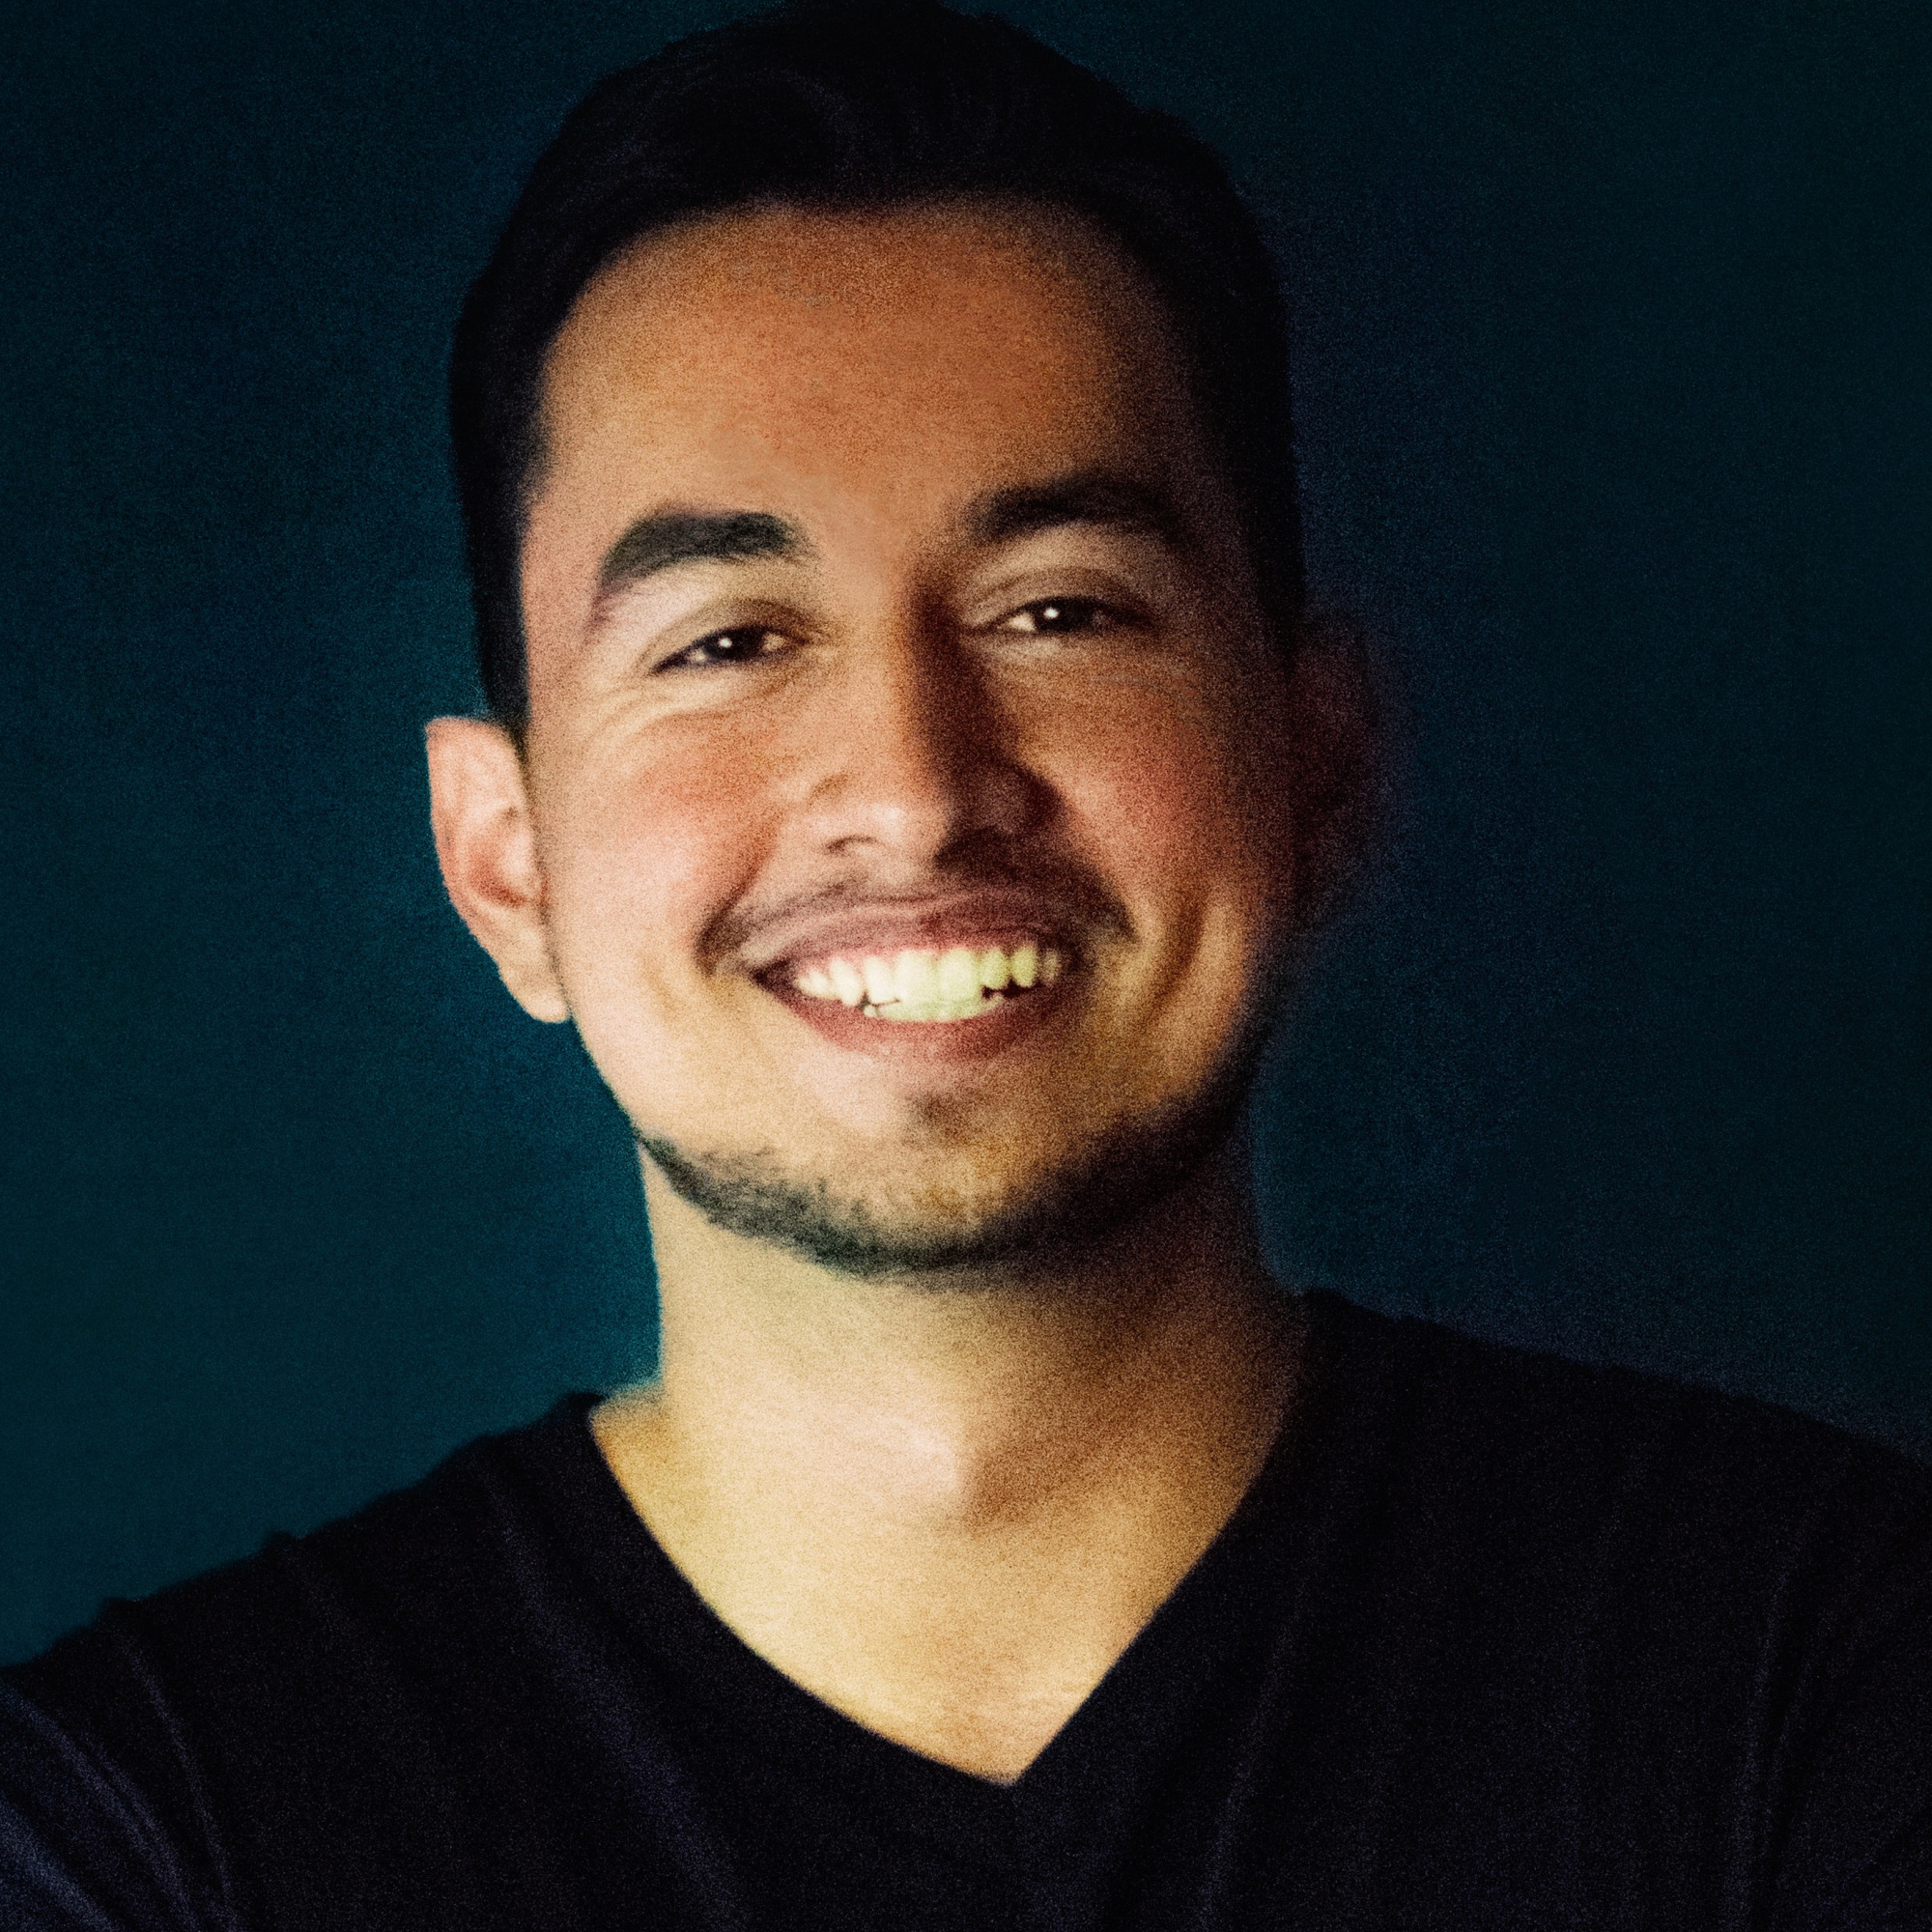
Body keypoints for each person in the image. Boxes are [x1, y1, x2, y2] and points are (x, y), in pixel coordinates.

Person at [4, 2, 1928, 1925]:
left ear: (1319, 765)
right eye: (728, 642)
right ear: (504, 867)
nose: (917, 794)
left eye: (1058, 610)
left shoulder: (1826, 1677)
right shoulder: (146, 1839)